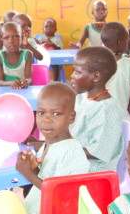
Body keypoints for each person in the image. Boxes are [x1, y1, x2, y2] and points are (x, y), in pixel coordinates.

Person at [16, 82, 90, 214]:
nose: (47, 119)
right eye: (41, 112)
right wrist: (32, 168)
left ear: (71, 117)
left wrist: (28, 175)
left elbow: (64, 195)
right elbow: (48, 178)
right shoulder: (49, 143)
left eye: (56, 114)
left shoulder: (72, 152)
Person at [70, 46, 126, 172]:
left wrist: (60, 149)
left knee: (38, 174)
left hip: (93, 172)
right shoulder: (82, 99)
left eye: (77, 72)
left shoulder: (108, 111)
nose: (72, 75)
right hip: (75, 161)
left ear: (95, 77)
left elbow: (97, 153)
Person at [102, 22, 130, 114]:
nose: (127, 43)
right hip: (121, 113)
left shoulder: (99, 62)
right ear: (119, 42)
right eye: (126, 40)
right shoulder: (129, 63)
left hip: (101, 112)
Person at [0, 22, 32, 88]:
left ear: (22, 37)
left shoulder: (27, 55)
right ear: (2, 40)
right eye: (6, 38)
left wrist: (26, 82)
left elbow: (29, 79)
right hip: (4, 91)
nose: (11, 41)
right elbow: (0, 82)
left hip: (20, 90)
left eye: (15, 36)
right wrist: (11, 83)